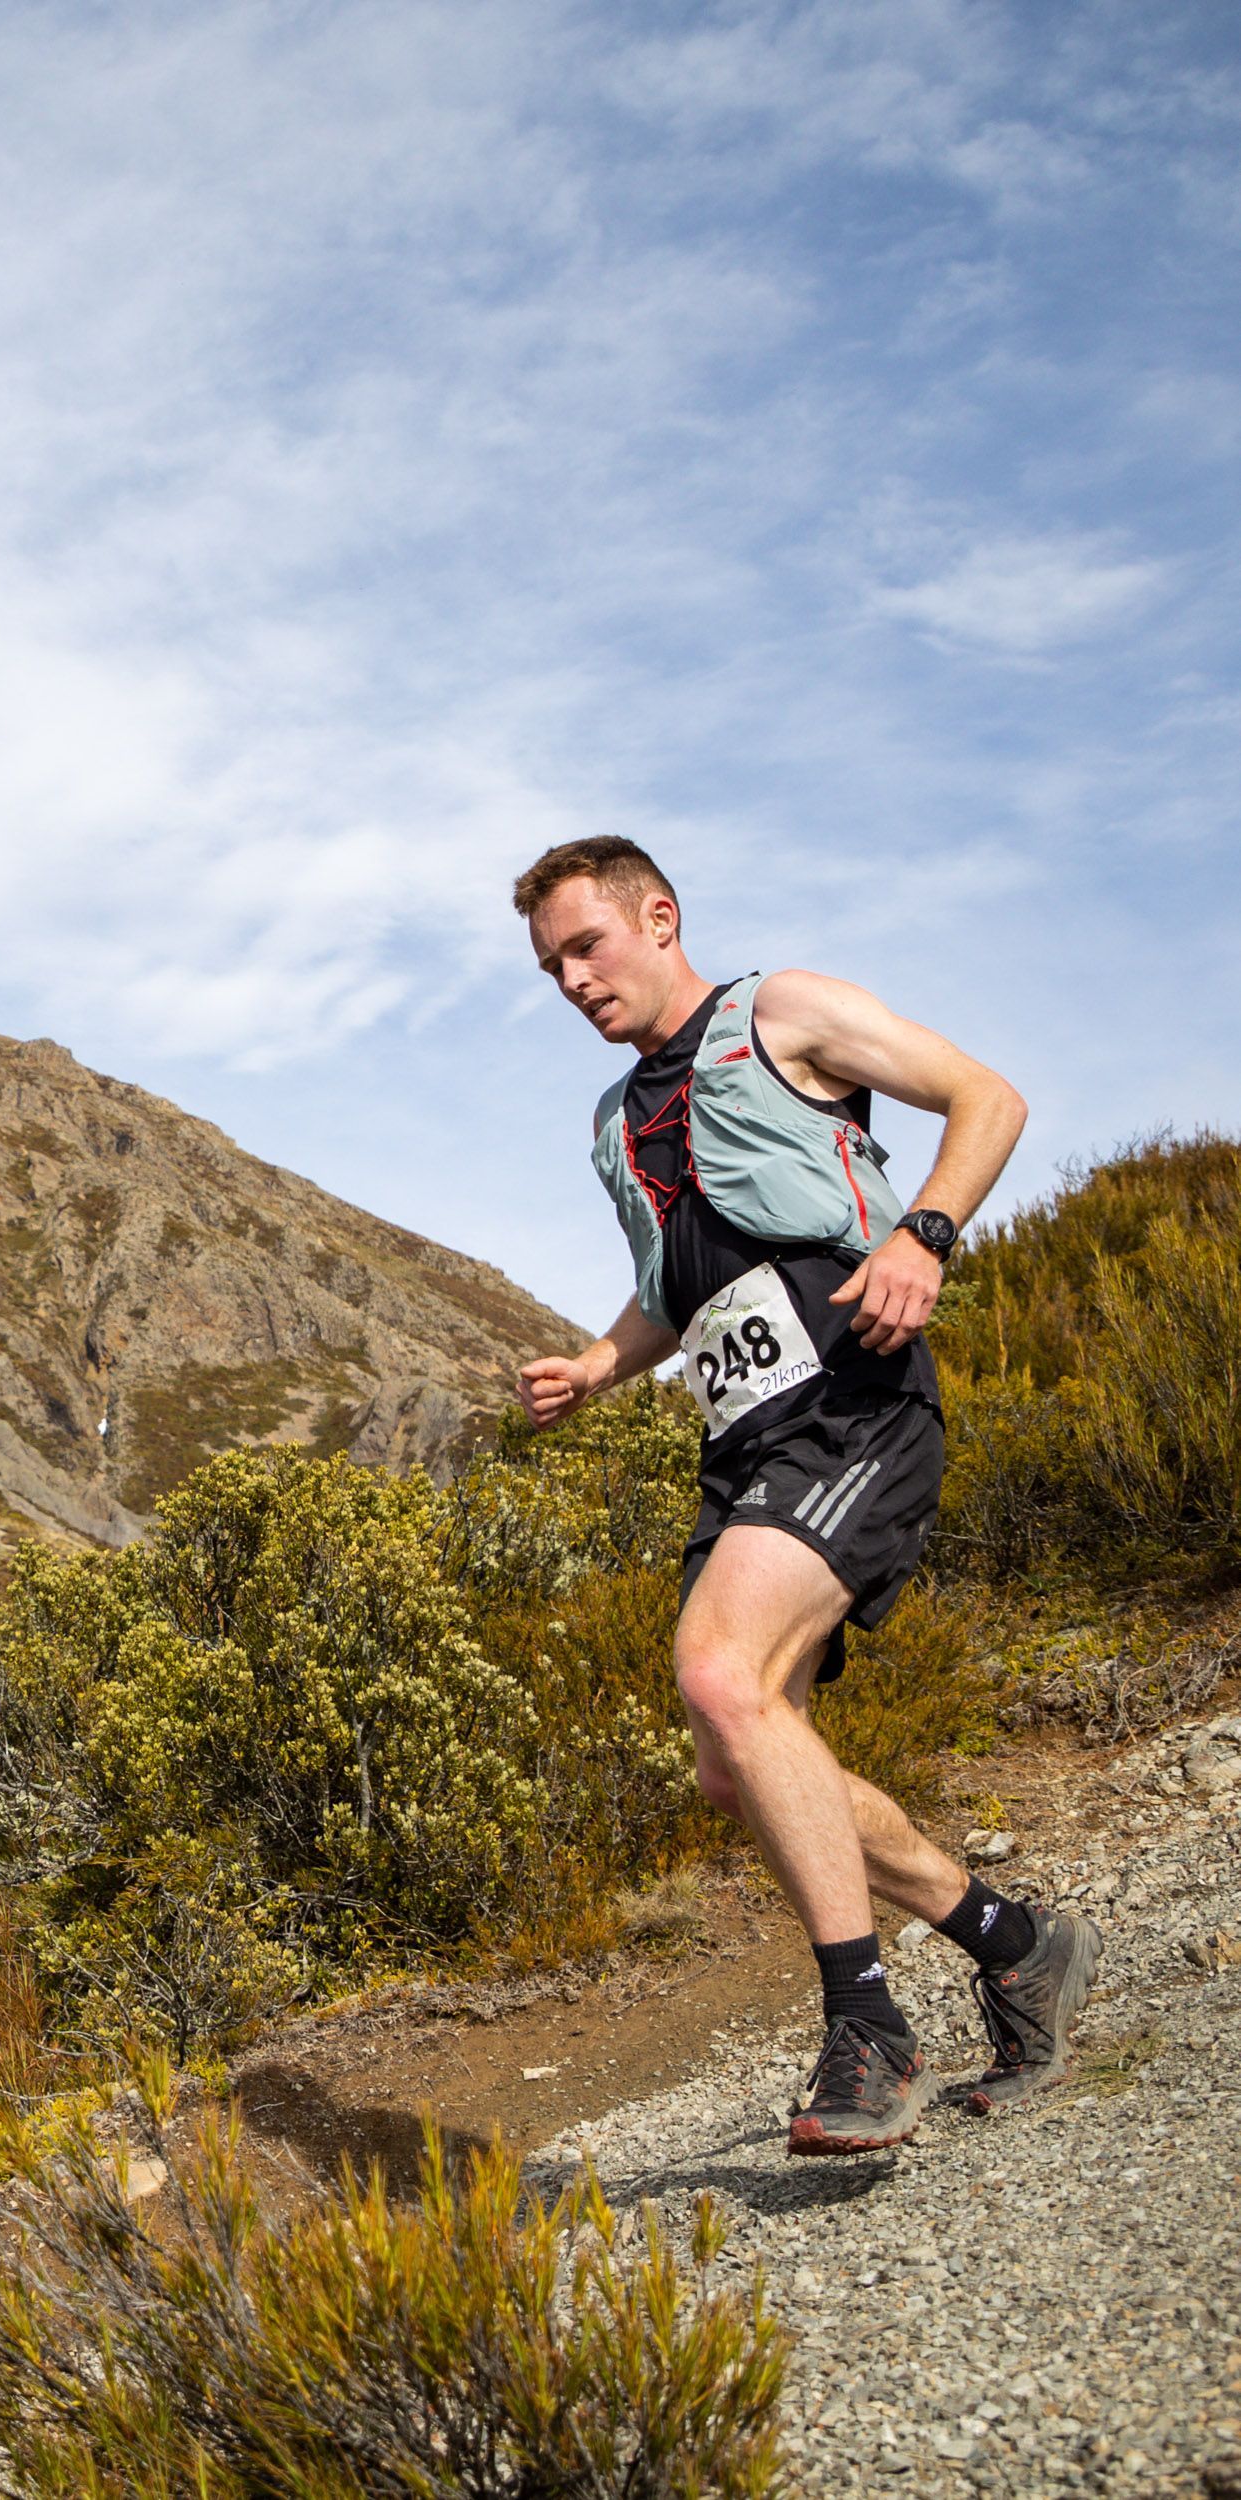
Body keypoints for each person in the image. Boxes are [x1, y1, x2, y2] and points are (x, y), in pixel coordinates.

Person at [512, 835, 1101, 2155]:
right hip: (741, 1439)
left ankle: (865, 2026)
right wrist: (600, 1365)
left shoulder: (778, 1014)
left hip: (852, 1392)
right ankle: (1018, 1948)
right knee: (740, 1759)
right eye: (549, 965)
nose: (569, 979)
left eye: (585, 945)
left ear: (656, 918)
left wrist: (923, 1232)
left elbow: (985, 1098)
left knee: (721, 1674)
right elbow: (681, 1288)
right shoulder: (614, 1123)